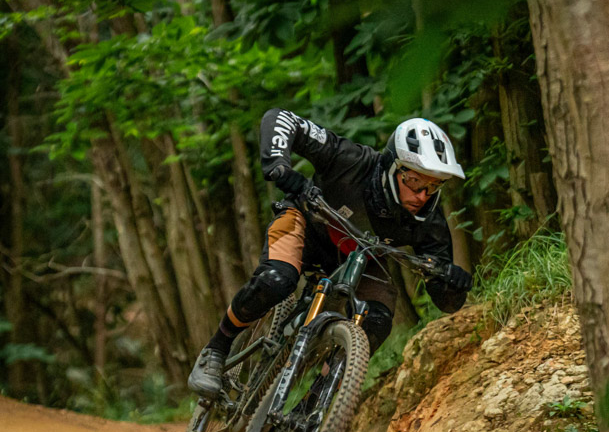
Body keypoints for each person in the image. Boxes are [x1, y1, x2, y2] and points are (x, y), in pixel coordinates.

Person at [187, 110, 473, 396]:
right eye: (414, 181)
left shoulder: (429, 220)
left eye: (434, 185)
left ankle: (315, 404)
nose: (423, 195)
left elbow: (445, 298)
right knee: (277, 280)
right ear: (392, 167)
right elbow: (280, 119)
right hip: (307, 225)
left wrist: (453, 283)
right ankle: (216, 349)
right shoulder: (350, 161)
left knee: (377, 320)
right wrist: (279, 166)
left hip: (362, 258)